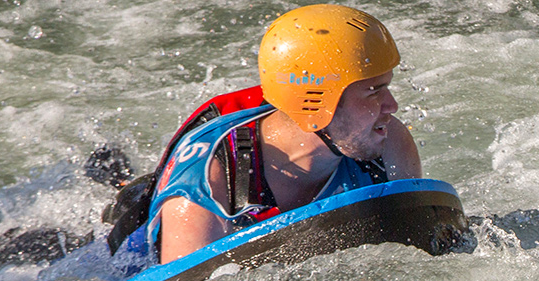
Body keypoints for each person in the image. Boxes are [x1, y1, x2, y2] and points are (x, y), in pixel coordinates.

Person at [107, 4, 422, 264]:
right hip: (129, 253)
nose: (392, 106)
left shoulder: (388, 142)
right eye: (373, 91)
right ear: (316, 103)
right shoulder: (208, 189)